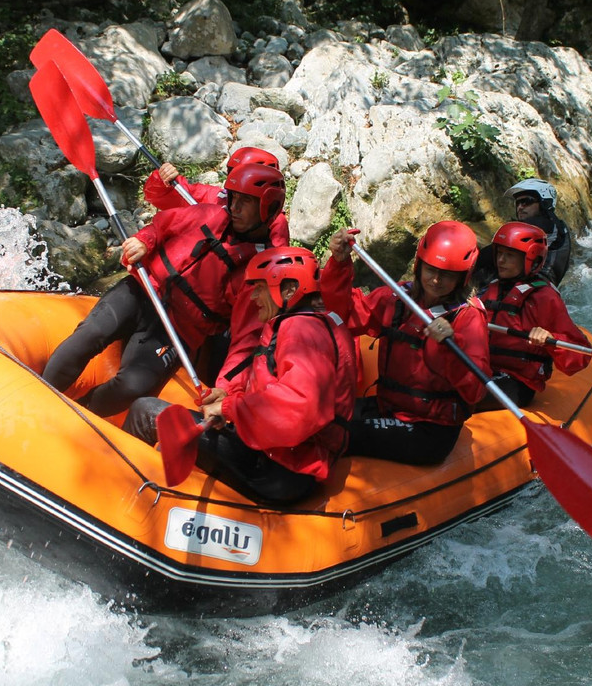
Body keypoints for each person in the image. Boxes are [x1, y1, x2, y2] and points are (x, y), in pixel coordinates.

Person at [42, 163, 288, 417]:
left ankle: (77, 414)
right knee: (89, 335)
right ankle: (42, 395)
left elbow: (246, 338)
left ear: (266, 208)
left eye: (245, 201)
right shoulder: (207, 214)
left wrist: (227, 388)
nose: (234, 206)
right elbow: (162, 225)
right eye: (234, 197)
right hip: (142, 290)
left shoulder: (258, 271)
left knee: (133, 386)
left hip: (178, 329)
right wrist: (143, 241)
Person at [124, 246, 357, 505]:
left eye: (261, 288)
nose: (254, 296)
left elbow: (299, 408)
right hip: (282, 458)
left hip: (281, 470)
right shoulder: (306, 324)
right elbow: (273, 388)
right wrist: (231, 396)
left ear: (290, 290)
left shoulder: (302, 330)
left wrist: (230, 408)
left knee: (145, 412)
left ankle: (122, 497)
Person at [320, 221, 491, 467]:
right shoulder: (397, 297)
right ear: (419, 264)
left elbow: (475, 391)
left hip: (429, 429)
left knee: (342, 433)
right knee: (321, 417)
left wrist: (450, 345)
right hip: (387, 407)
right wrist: (338, 264)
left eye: (448, 274)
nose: (436, 280)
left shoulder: (468, 318)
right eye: (431, 269)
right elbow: (342, 314)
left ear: (463, 277)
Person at [476, 221, 590, 410]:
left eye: (510, 256)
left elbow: (579, 355)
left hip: (517, 382)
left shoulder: (544, 297)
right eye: (500, 253)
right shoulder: (493, 288)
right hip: (484, 369)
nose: (501, 261)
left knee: (457, 396)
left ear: (531, 259)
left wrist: (550, 339)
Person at [142, 146, 290, 247]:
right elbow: (161, 196)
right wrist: (162, 180)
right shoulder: (217, 197)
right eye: (232, 173)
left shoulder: (276, 223)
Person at [473, 179, 572, 287]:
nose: (520, 207)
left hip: (530, 289)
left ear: (544, 203)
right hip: (532, 286)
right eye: (518, 203)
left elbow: (488, 255)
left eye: (527, 201)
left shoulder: (542, 225)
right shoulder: (557, 225)